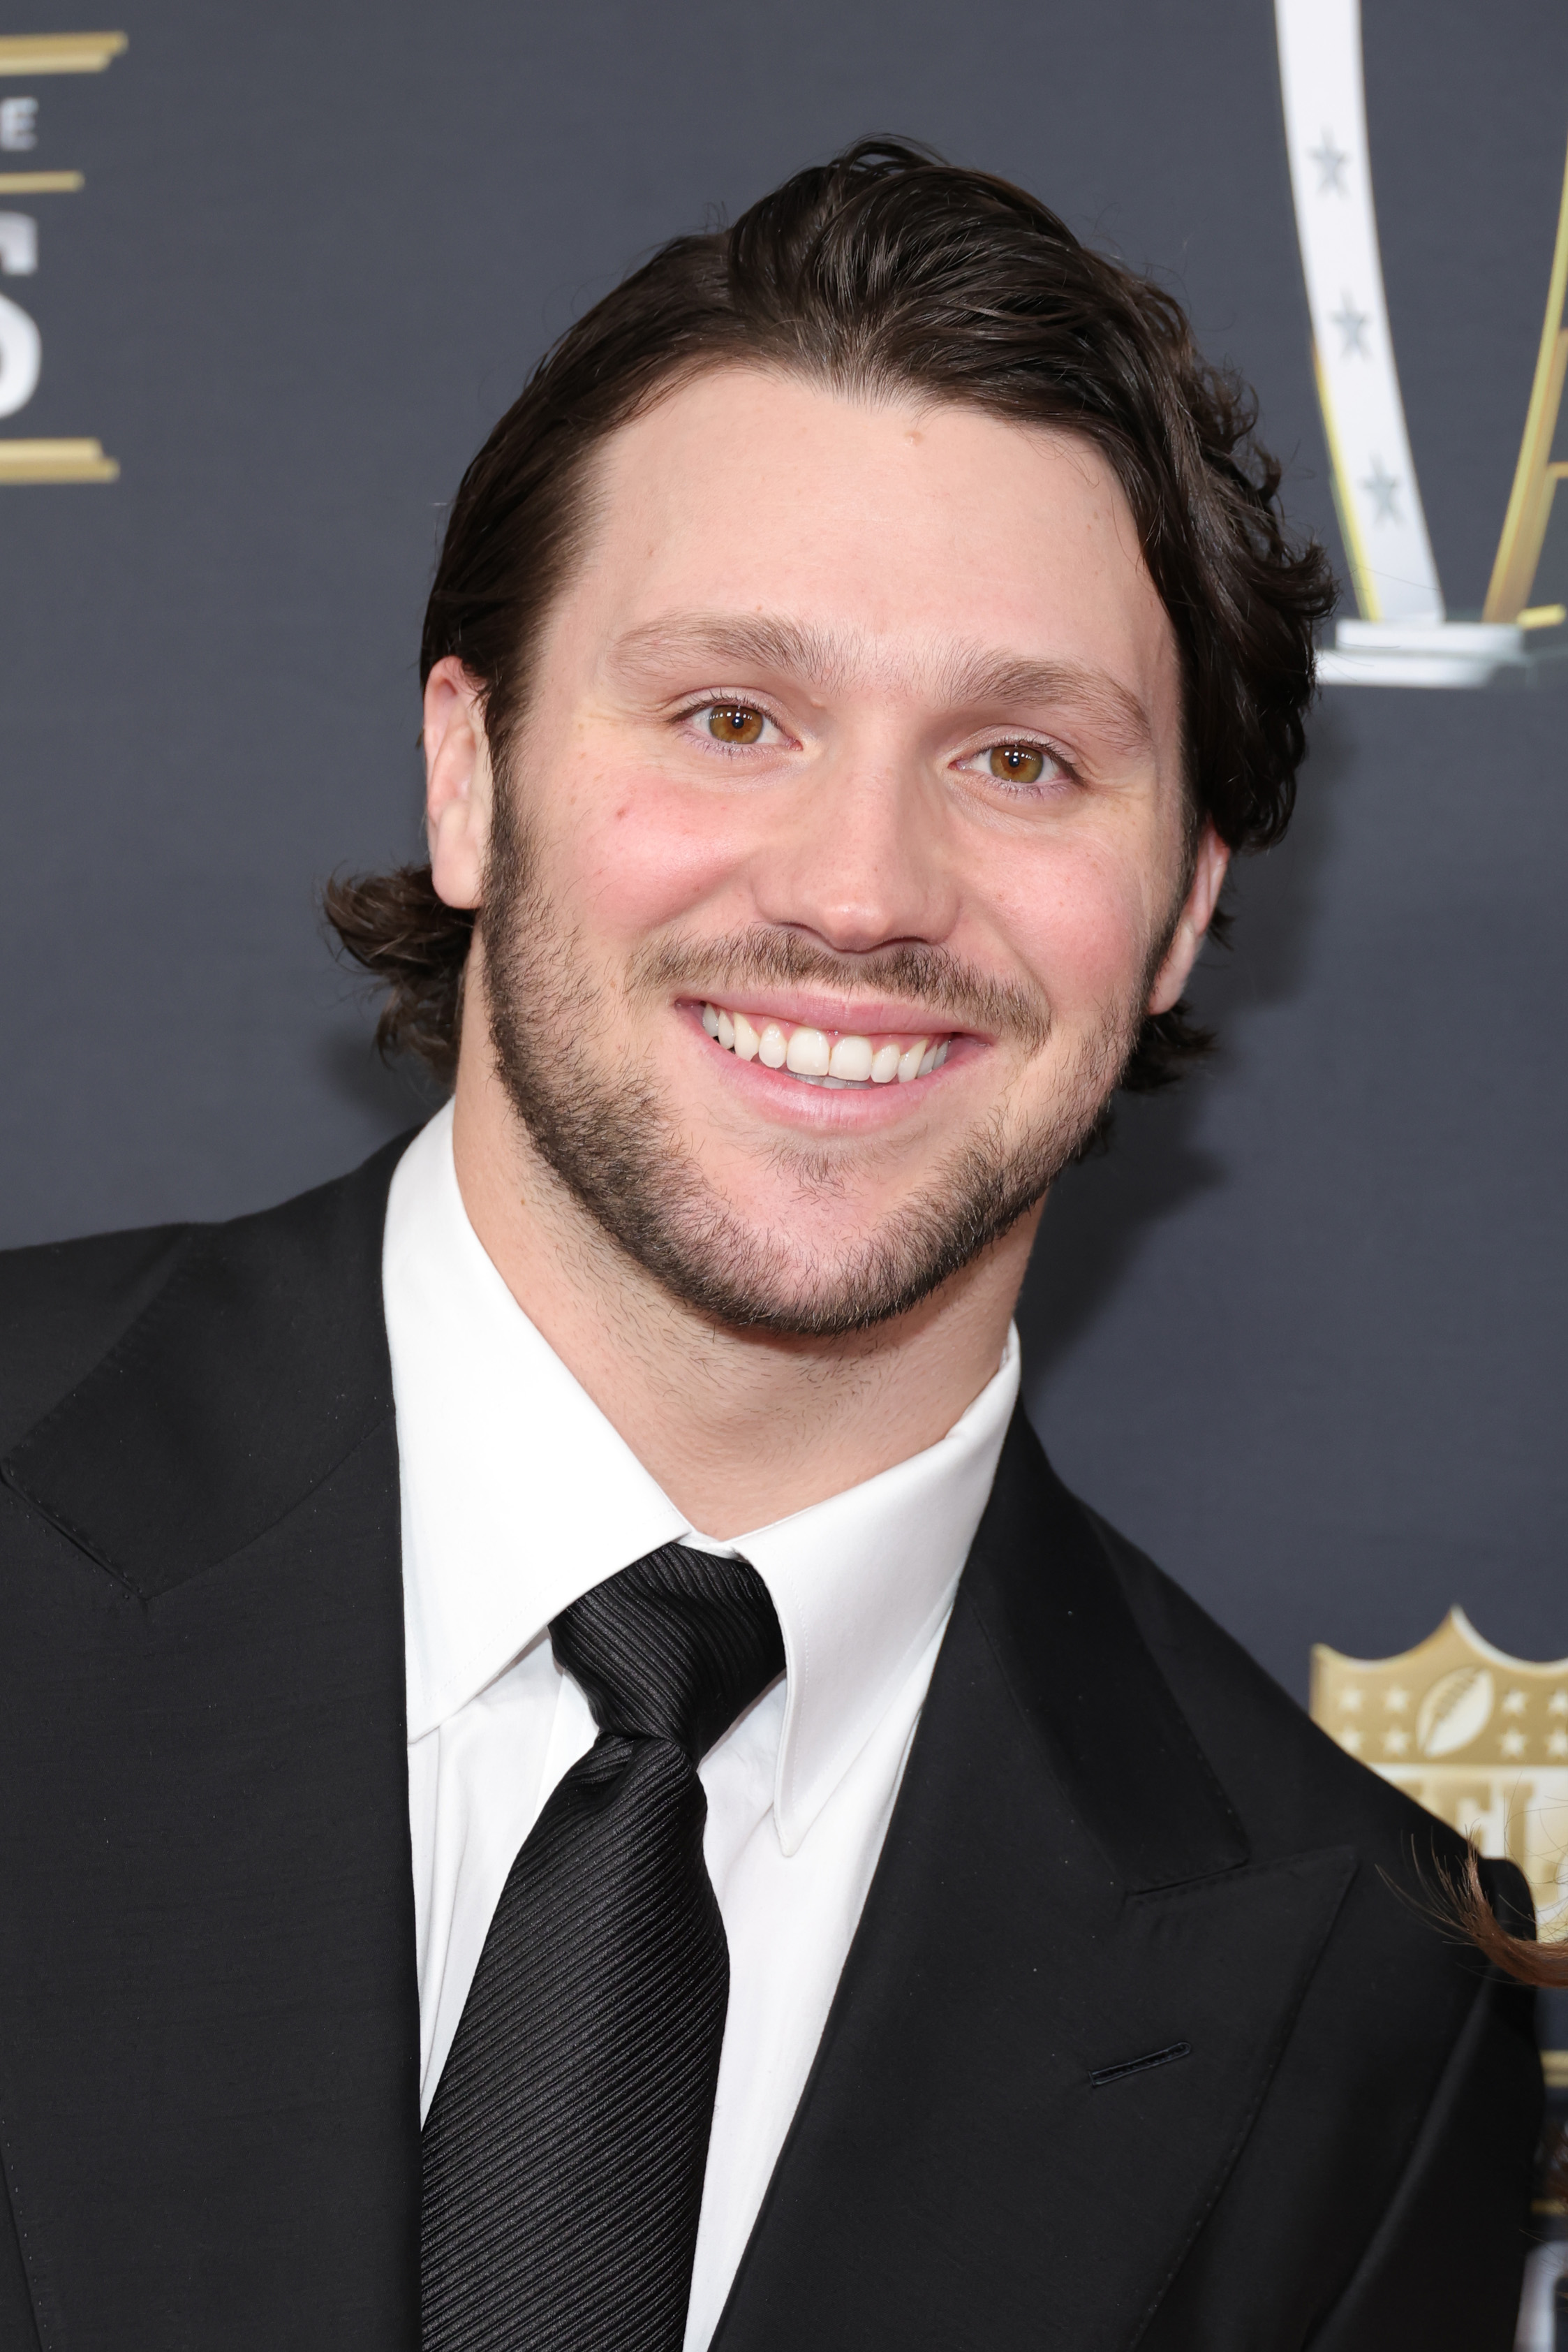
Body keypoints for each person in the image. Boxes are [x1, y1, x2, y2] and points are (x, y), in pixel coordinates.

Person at [0, 140, 1540, 2352]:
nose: (859, 888)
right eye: (734, 716)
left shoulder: (1365, 1998)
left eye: (1020, 759)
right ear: (472, 775)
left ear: (1189, 907)